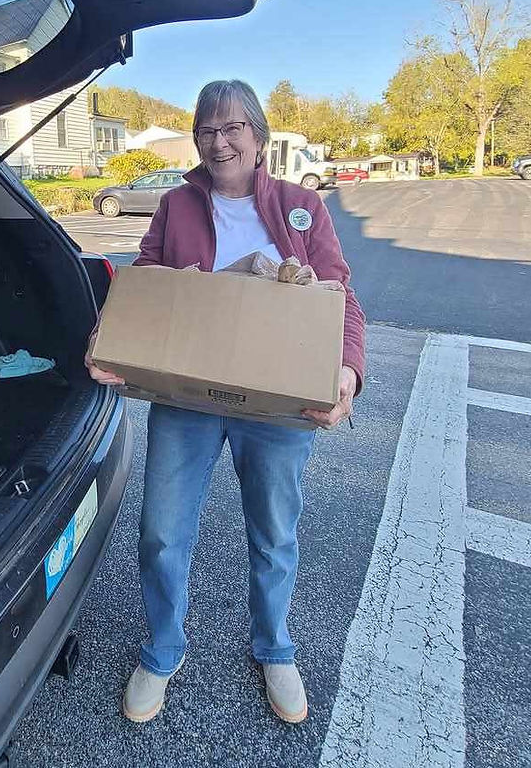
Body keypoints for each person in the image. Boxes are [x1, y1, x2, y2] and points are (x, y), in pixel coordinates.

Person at [86, 80, 365, 725]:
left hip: (275, 405)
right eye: (206, 130)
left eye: (232, 127)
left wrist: (347, 372)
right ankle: (162, 650)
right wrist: (107, 341)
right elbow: (144, 285)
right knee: (161, 532)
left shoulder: (300, 206)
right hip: (186, 397)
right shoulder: (175, 205)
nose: (219, 142)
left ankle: (274, 647)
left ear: (258, 136)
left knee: (274, 533)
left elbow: (340, 297)